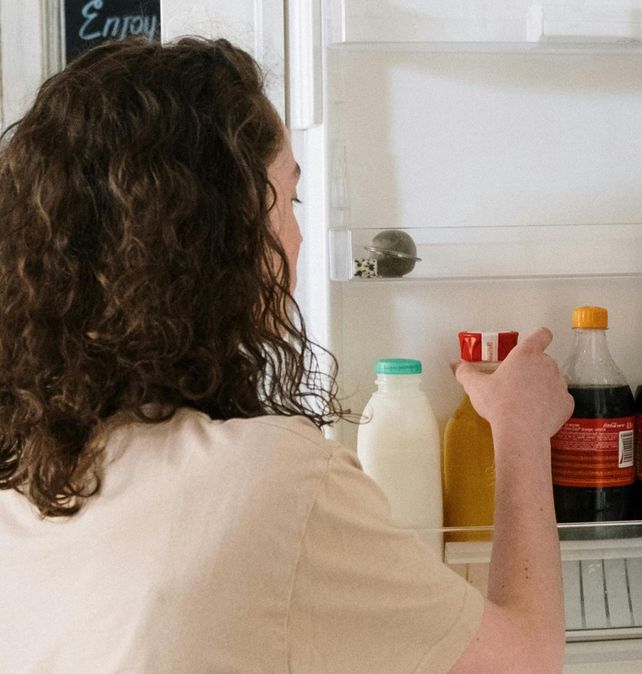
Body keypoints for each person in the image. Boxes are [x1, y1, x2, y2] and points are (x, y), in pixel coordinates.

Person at [0, 37, 572, 672]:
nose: (298, 236)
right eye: (289, 199)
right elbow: (527, 660)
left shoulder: (25, 479)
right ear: (215, 235)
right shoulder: (274, 485)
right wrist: (519, 430)